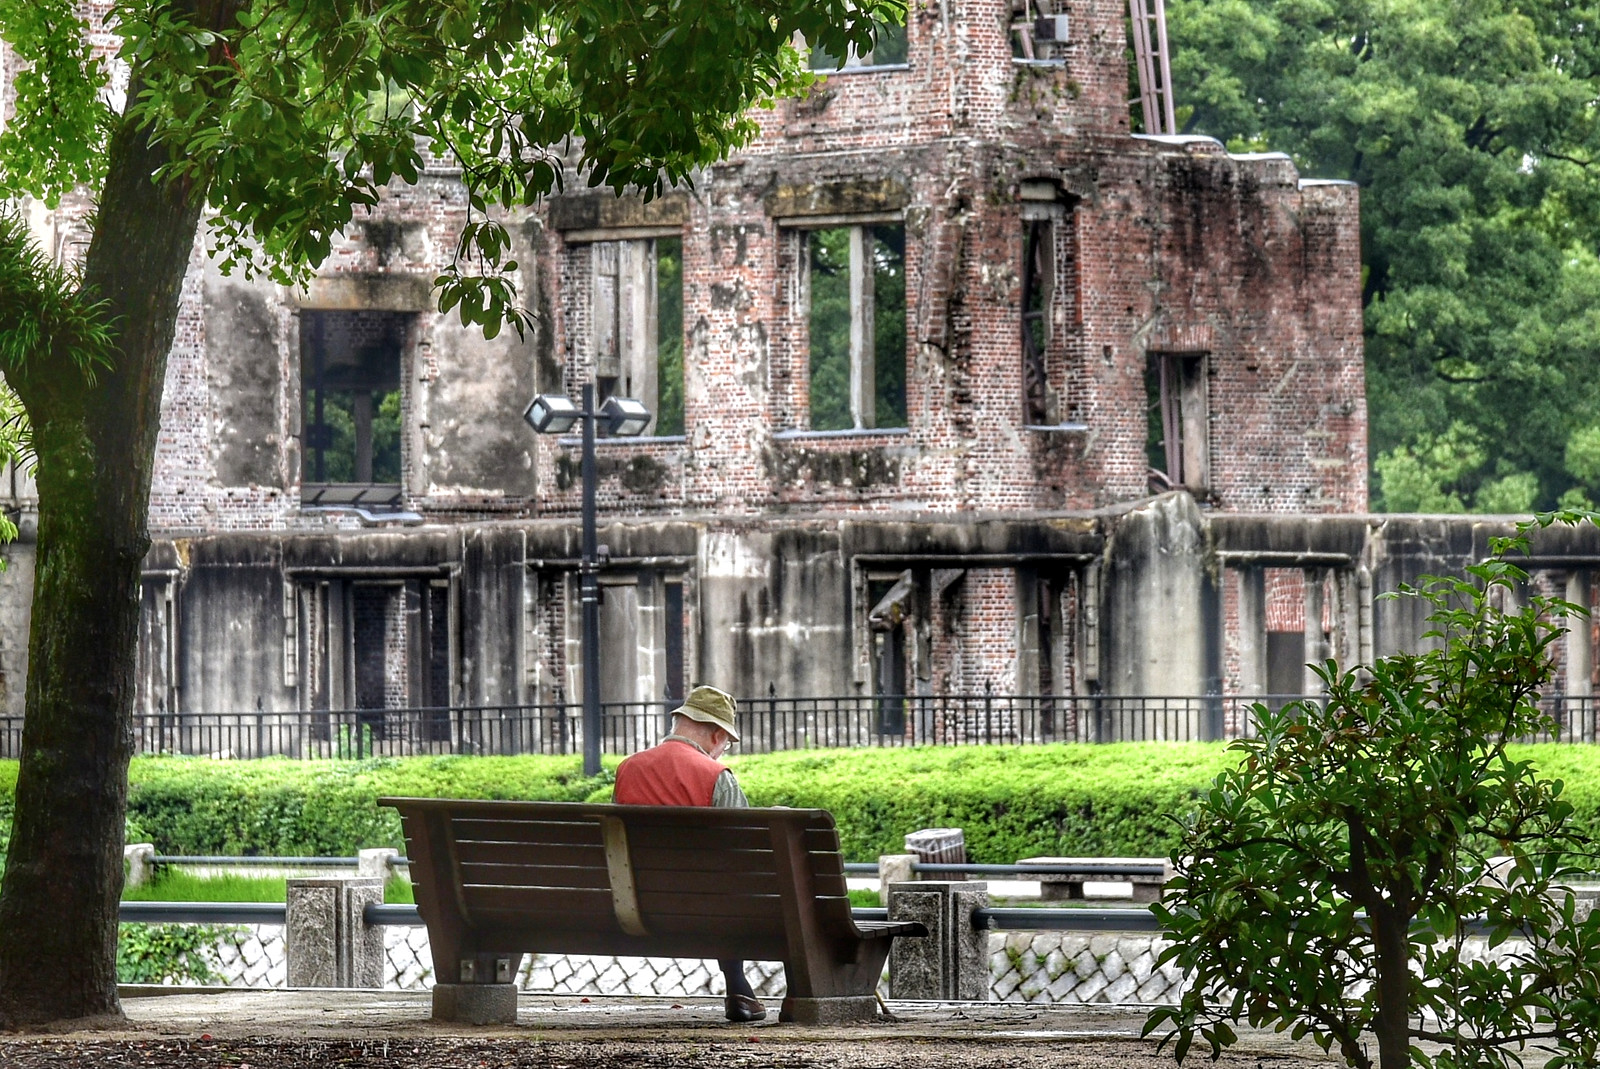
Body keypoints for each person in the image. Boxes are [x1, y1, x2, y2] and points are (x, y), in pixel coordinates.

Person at [613, 684, 765, 1022]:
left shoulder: (628, 768)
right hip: (707, 910)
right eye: (726, 743)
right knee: (735, 890)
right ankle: (741, 987)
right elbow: (744, 854)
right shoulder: (715, 776)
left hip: (636, 904)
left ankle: (741, 987)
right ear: (716, 735)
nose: (723, 751)